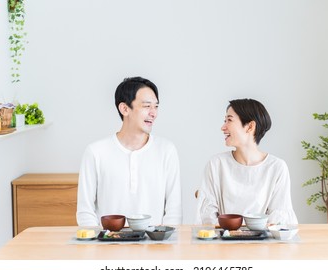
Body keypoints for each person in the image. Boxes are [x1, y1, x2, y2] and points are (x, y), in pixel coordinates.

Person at [77, 77, 182, 226]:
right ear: (125, 109)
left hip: (154, 244)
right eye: (147, 106)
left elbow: (174, 211)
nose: (154, 113)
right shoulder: (95, 152)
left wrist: (164, 243)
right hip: (108, 244)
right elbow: (85, 211)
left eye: (156, 106)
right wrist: (98, 245)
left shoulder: (166, 150)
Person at [196, 98, 298, 225]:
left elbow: (279, 219)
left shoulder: (276, 167)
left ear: (250, 126)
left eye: (229, 120)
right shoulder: (216, 164)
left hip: (262, 242)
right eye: (224, 120)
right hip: (223, 241)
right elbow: (208, 217)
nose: (223, 127)